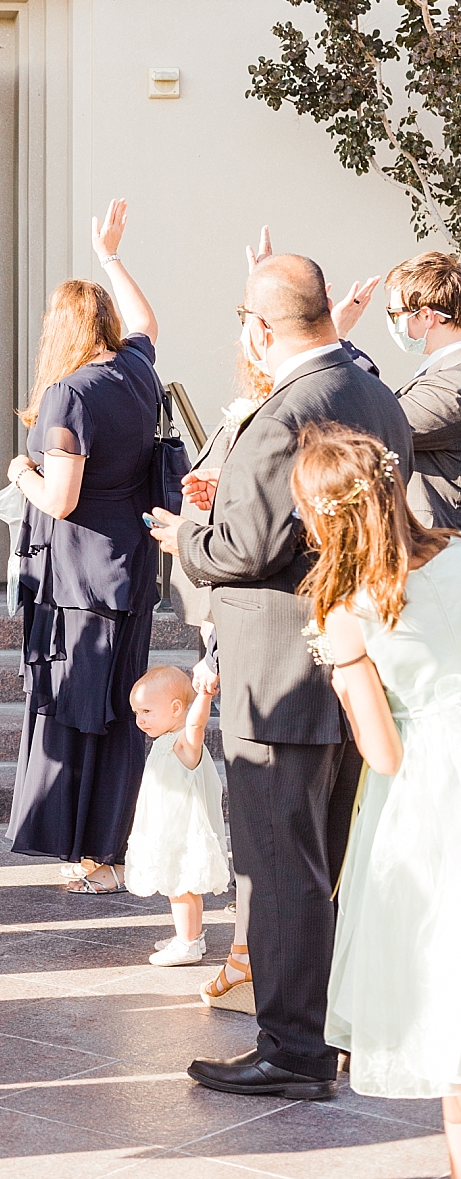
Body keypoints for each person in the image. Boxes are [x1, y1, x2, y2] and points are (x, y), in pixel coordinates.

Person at [150, 252, 413, 1100]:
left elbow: (245, 550)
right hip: (349, 659)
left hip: (277, 666)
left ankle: (293, 1051)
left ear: (262, 328)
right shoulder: (373, 393)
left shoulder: (283, 411)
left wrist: (181, 535)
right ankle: (327, 1030)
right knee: (326, 859)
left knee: (279, 865)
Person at [291, 425, 461, 1179]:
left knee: (443, 993)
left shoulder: (347, 611)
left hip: (431, 795)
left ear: (326, 518)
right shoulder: (459, 551)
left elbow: (383, 754)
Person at [3, 200, 163, 891]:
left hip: (80, 582)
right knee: (122, 711)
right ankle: (113, 848)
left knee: (82, 711)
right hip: (129, 566)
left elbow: (61, 499)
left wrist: (20, 474)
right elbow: (148, 322)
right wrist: (111, 258)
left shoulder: (70, 394)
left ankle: (95, 857)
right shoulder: (136, 369)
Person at [123, 665, 229, 966]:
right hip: (167, 827)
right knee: (181, 887)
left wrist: (204, 696)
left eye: (146, 711)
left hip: (181, 832)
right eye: (136, 712)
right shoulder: (165, 741)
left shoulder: (184, 742)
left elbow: (196, 725)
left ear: (175, 708)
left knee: (180, 886)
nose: (140, 720)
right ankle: (191, 935)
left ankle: (187, 944)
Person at [385, 250, 461, 528]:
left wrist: (332, 342)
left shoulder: (454, 381)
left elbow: (382, 424)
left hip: (438, 545)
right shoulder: (441, 371)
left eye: (395, 314)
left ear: (427, 315)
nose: (393, 323)